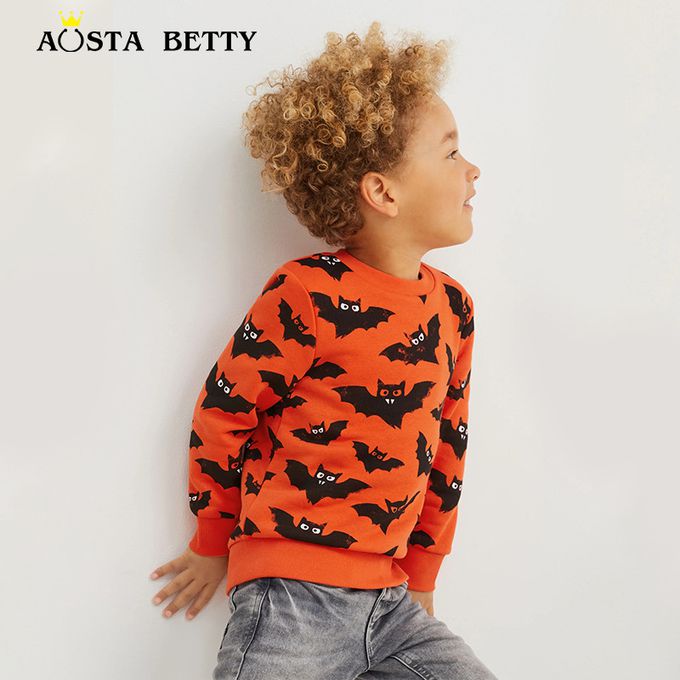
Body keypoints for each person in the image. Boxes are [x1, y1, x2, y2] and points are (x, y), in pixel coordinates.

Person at [150, 21, 497, 680]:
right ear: (383, 192)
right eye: (451, 153)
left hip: (392, 602)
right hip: (290, 597)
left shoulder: (454, 310)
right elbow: (223, 413)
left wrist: (423, 573)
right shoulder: (307, 294)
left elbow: (448, 447)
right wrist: (212, 539)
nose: (472, 169)